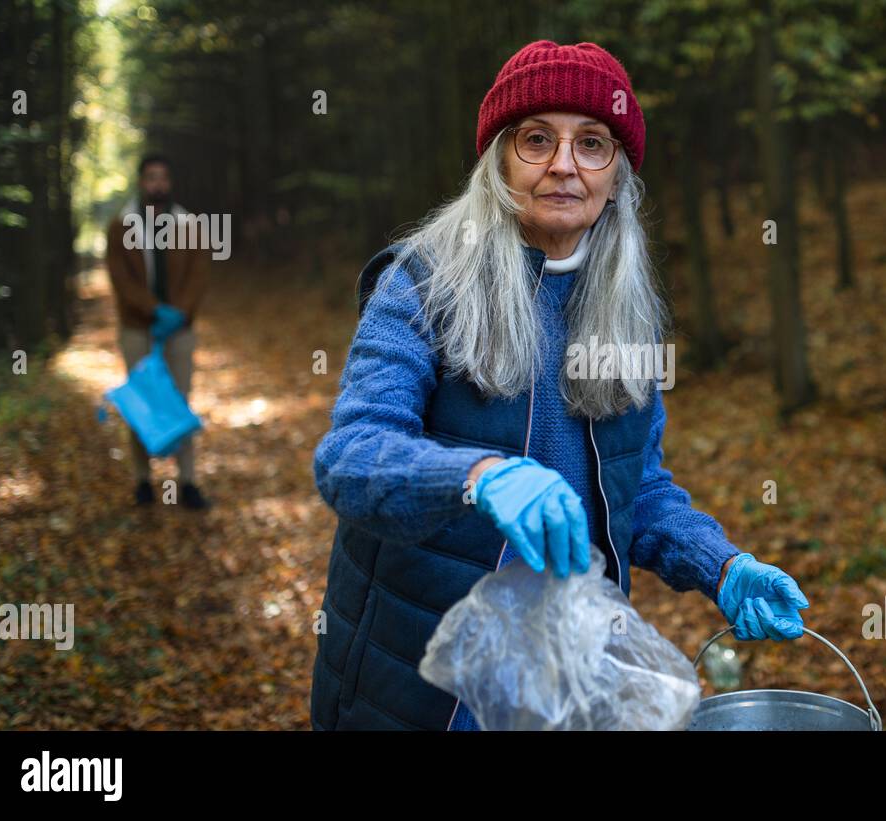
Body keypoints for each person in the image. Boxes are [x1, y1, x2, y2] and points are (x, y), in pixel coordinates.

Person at [310, 40, 809, 731]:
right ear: (498, 163)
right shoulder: (423, 285)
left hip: (566, 680)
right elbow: (350, 457)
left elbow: (642, 490)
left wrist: (721, 566)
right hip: (424, 688)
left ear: (617, 174)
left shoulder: (623, 311)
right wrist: (479, 475)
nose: (564, 165)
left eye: (592, 143)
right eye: (537, 139)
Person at [105, 154, 211, 510]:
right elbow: (120, 277)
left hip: (179, 330)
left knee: (180, 401)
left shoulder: (188, 223)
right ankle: (142, 481)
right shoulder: (122, 224)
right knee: (142, 402)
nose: (158, 184)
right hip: (138, 329)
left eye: (163, 178)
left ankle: (189, 482)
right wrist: (154, 310)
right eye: (151, 178)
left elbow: (199, 271)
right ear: (140, 182)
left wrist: (180, 312)